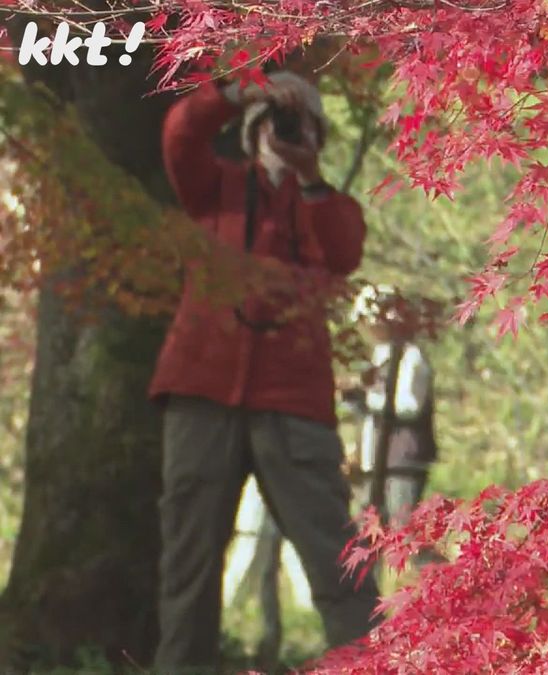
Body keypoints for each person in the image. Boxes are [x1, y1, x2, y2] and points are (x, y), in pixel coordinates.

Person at [149, 70, 379, 673]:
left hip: (293, 402)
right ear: (251, 132)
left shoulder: (326, 206)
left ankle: (372, 665)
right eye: (276, 122)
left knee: (338, 560)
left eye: (299, 125)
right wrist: (241, 90)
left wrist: (308, 176)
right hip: (202, 390)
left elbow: (346, 253)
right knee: (188, 566)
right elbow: (180, 136)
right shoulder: (213, 190)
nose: (285, 132)